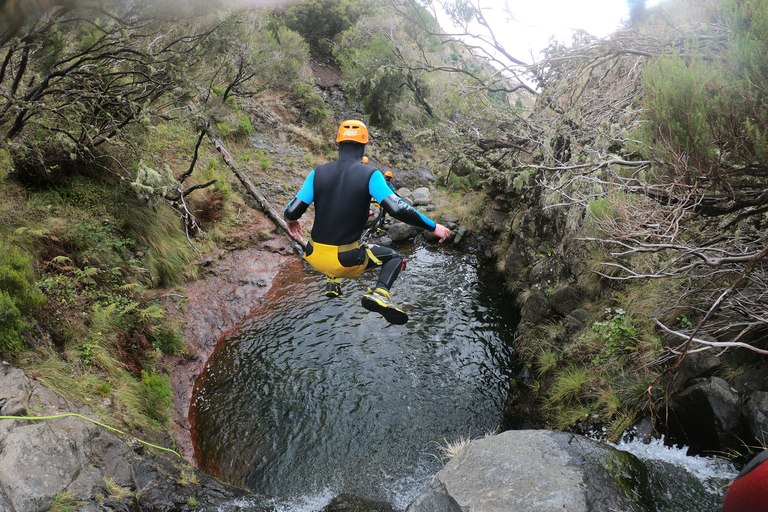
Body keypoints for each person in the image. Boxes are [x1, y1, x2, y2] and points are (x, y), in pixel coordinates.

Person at [284, 119, 450, 325]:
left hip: (313, 254)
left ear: (339, 144)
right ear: (363, 147)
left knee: (347, 244)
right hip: (343, 260)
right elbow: (397, 208)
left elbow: (292, 210)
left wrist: (291, 221)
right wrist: (434, 227)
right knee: (395, 258)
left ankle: (333, 285)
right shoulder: (371, 174)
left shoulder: (318, 172)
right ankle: (380, 293)